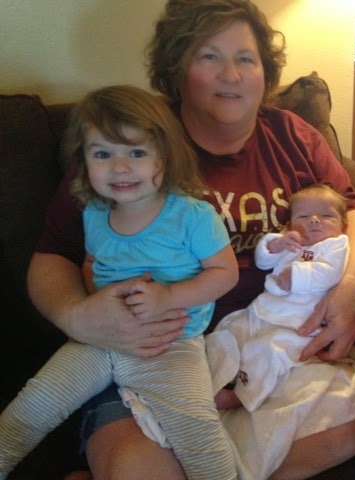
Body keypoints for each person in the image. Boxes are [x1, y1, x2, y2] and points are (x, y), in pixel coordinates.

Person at [26, 1, 355, 479]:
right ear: (177, 68)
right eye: (209, 56)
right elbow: (53, 254)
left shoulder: (293, 136)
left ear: (265, 71)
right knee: (139, 471)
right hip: (155, 350)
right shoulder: (132, 147)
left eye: (246, 58)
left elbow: (353, 208)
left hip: (273, 346)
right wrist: (76, 316)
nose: (231, 75)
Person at [0, 85, 239, 480]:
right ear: (83, 161)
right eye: (102, 154)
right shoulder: (93, 213)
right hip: (99, 342)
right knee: (32, 406)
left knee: (198, 432)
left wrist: (168, 296)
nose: (120, 167)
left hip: (172, 344)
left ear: (166, 156)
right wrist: (94, 306)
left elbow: (225, 273)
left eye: (136, 153)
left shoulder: (193, 216)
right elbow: (92, 262)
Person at [210, 183, 350, 412]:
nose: (314, 221)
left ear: (343, 225)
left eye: (326, 216)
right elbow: (263, 262)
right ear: (290, 224)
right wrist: (275, 244)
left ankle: (242, 395)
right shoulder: (291, 242)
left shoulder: (337, 245)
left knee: (270, 351)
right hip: (263, 311)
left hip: (298, 326)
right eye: (304, 216)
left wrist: (297, 275)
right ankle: (214, 377)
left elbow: (331, 272)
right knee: (230, 329)